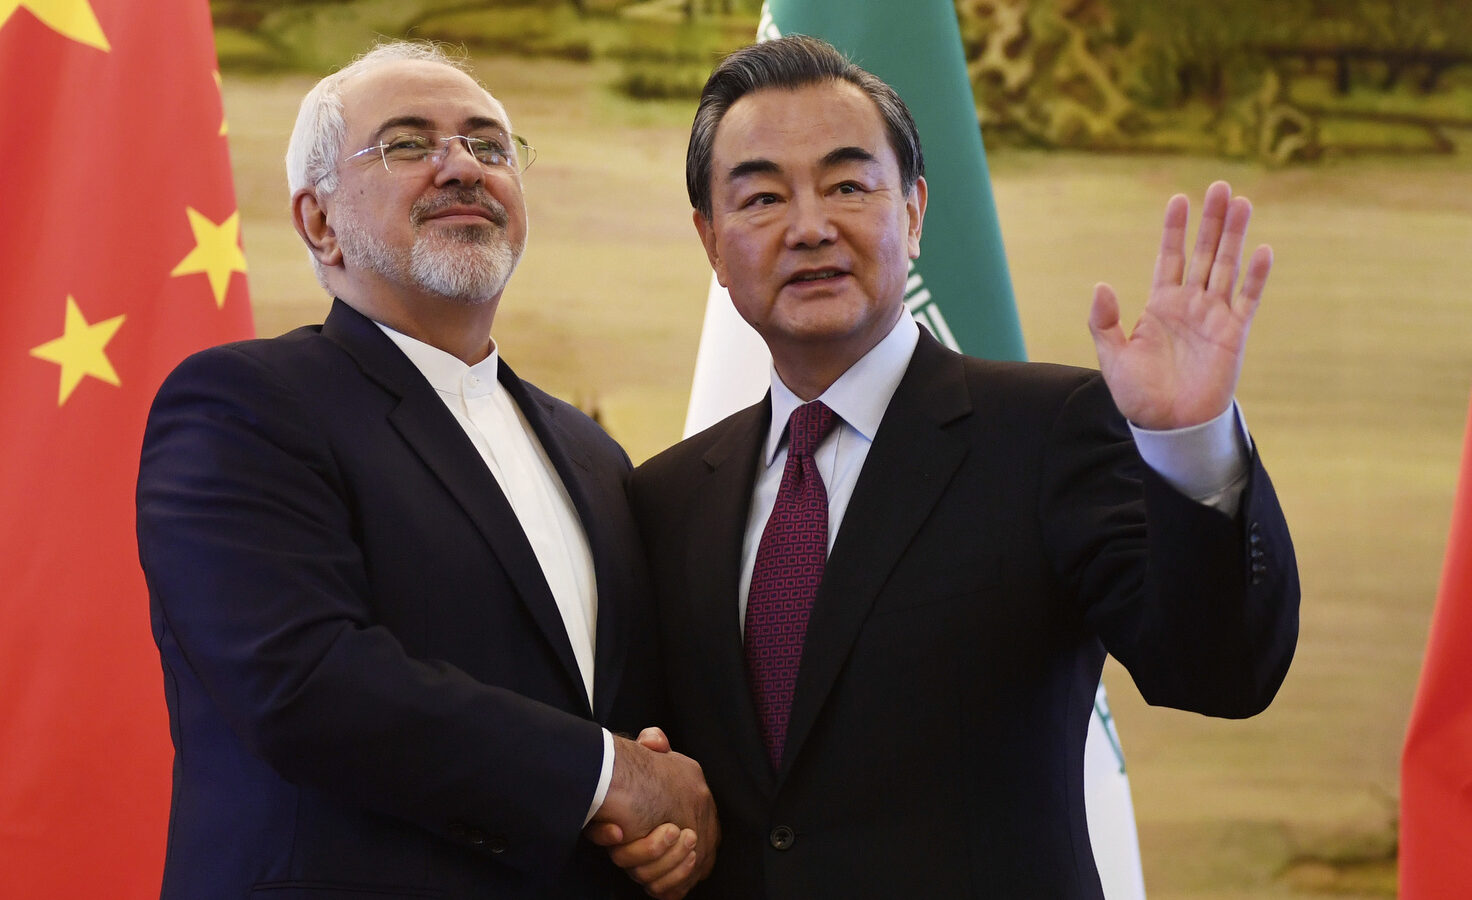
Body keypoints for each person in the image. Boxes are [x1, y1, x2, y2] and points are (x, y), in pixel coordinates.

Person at [615, 35, 1300, 898]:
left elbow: (1219, 669)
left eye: (847, 184)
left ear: (913, 211)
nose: (811, 226)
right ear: (711, 241)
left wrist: (1190, 444)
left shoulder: (1048, 431)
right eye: (760, 197)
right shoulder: (666, 495)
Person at [135, 41, 715, 900]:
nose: (461, 166)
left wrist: (673, 826)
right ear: (319, 222)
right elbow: (304, 683)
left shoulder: (594, 455)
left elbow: (631, 721)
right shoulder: (244, 405)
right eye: (409, 144)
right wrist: (608, 774)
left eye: (489, 145)